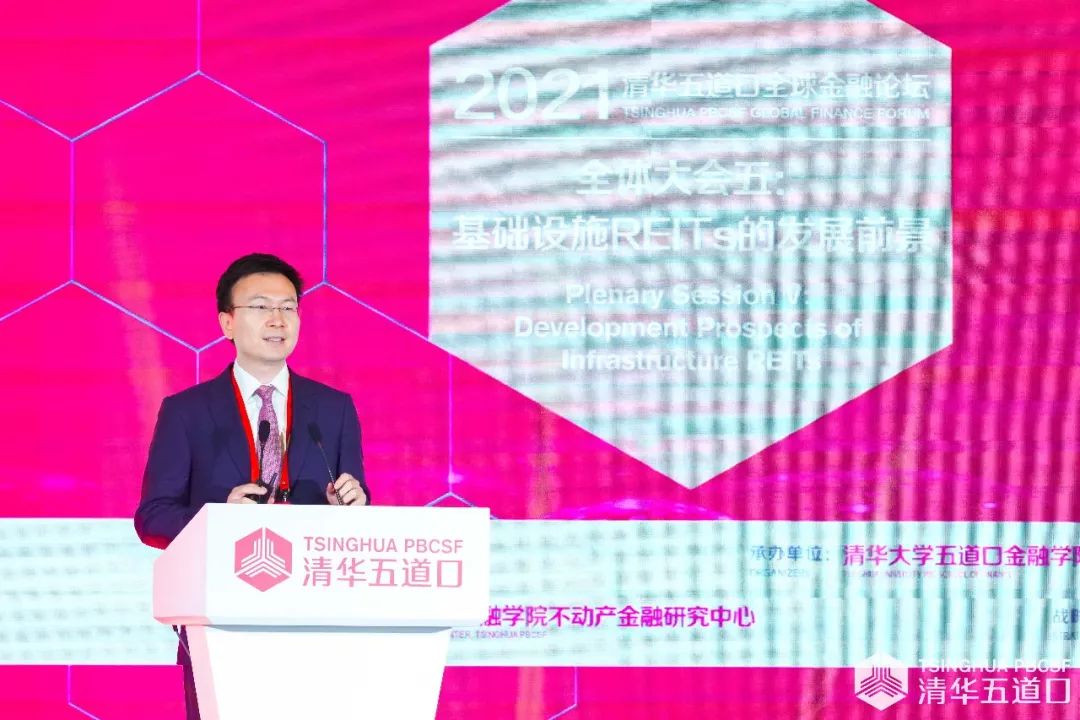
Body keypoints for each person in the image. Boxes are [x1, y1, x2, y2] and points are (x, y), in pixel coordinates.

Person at [134, 252, 370, 720]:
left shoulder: (334, 408)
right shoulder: (186, 412)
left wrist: (350, 503)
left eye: (289, 307)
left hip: (317, 615)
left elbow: (356, 505)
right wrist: (218, 520)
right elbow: (154, 517)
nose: (278, 319)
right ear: (227, 322)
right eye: (261, 307)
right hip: (219, 618)